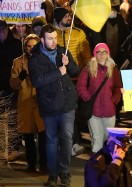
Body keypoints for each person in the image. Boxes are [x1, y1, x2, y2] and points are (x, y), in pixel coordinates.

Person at [29, 24, 81, 187]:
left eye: (55, 38)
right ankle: (52, 174)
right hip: (49, 105)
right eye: (50, 38)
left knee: (67, 139)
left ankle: (64, 172)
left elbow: (76, 71)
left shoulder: (62, 52)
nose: (53, 41)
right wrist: (58, 72)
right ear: (42, 39)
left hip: (67, 104)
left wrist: (69, 64)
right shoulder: (35, 58)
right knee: (51, 141)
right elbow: (37, 80)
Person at [77, 43, 123, 153]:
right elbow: (80, 86)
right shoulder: (88, 69)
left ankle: (106, 163)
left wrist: (114, 101)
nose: (101, 55)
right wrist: (88, 98)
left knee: (107, 138)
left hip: (109, 111)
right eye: (99, 52)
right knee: (97, 140)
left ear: (108, 54)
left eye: (104, 52)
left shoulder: (113, 69)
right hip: (94, 111)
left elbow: (118, 87)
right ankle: (96, 165)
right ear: (95, 54)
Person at [10, 34, 46, 172]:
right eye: (29, 46)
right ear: (25, 47)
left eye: (34, 46)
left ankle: (44, 164)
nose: (31, 48)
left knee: (43, 137)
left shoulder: (44, 60)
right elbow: (13, 84)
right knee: (29, 139)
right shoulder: (18, 62)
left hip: (41, 103)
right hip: (26, 104)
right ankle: (31, 164)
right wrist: (20, 78)